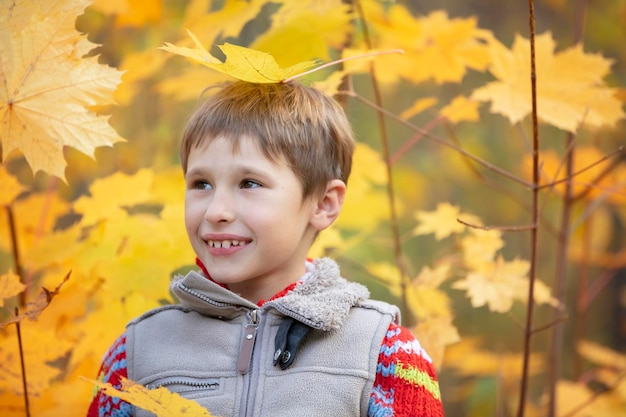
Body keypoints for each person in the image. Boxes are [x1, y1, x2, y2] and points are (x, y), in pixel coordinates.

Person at [87, 80, 445, 417]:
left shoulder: (382, 354)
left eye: (249, 183)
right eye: (201, 184)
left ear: (323, 203)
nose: (216, 212)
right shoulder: (137, 354)